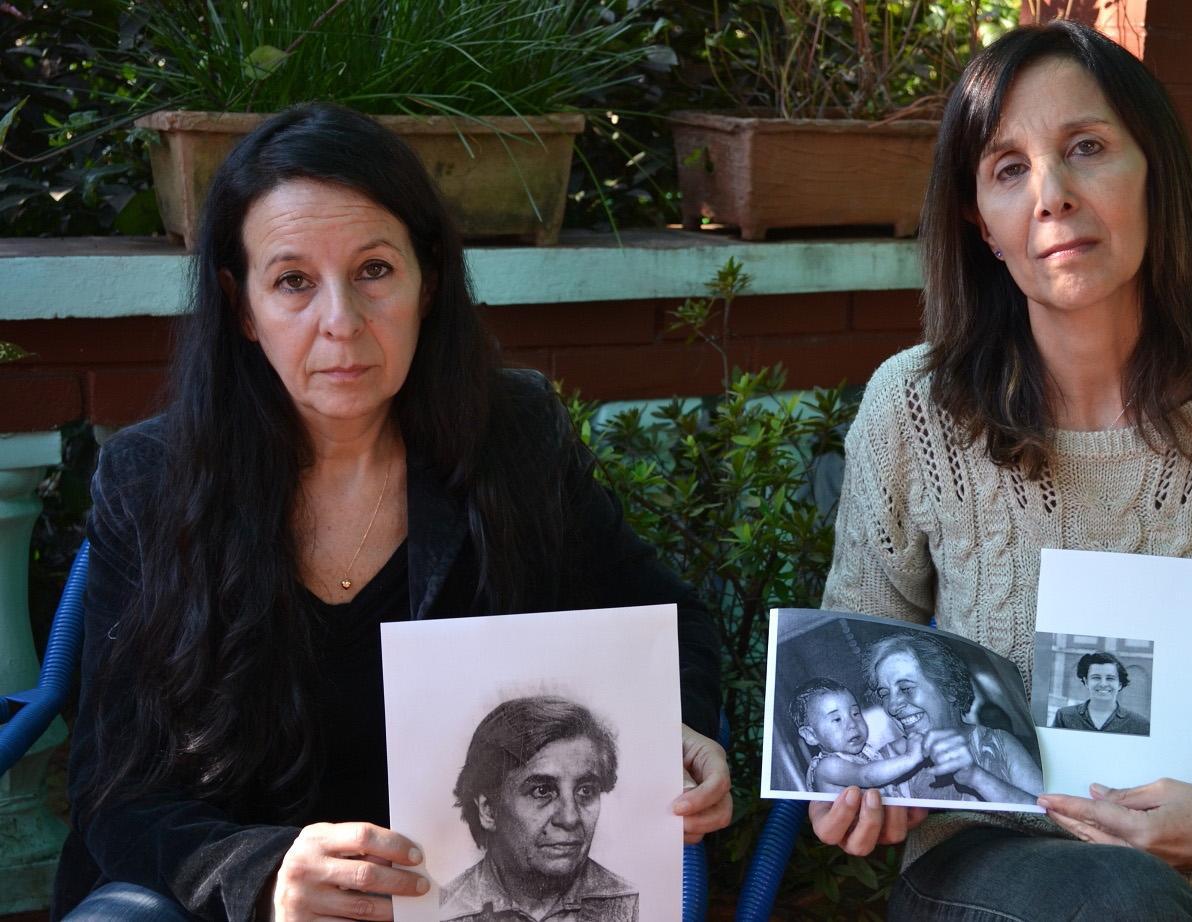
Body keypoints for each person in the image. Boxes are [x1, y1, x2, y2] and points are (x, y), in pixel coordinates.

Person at [55, 103, 731, 922]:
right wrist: (262, 876)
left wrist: (676, 728)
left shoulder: (512, 438)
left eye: (373, 270)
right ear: (242, 308)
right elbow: (117, 789)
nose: (340, 323)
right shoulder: (152, 479)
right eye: (293, 281)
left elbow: (665, 620)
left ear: (427, 280)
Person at [810, 20, 1192, 922]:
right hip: (988, 866)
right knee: (1123, 897)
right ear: (979, 222)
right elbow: (856, 650)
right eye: (1008, 169)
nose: (1052, 196)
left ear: (1155, 169)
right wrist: (856, 787)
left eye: (1086, 148)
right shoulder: (915, 409)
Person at [441, 697, 637, 922]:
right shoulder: (436, 914)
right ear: (488, 810)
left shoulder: (634, 908)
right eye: (542, 791)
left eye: (585, 791)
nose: (570, 818)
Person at [865, 635, 1041, 805]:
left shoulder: (998, 744)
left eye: (905, 688)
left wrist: (976, 776)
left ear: (949, 689)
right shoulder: (878, 764)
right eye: (885, 694)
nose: (892, 706)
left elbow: (1048, 816)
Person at [788, 677, 926, 794]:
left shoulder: (864, 754)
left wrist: (917, 737)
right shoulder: (826, 767)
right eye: (837, 719)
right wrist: (910, 757)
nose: (852, 724)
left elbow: (889, 751)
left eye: (855, 713)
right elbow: (867, 776)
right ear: (811, 735)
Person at [1051, 651, 1150, 735]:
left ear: (1120, 684)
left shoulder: (1139, 724)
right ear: (1086, 682)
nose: (1103, 684)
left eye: (1110, 678)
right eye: (1096, 677)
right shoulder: (1064, 716)